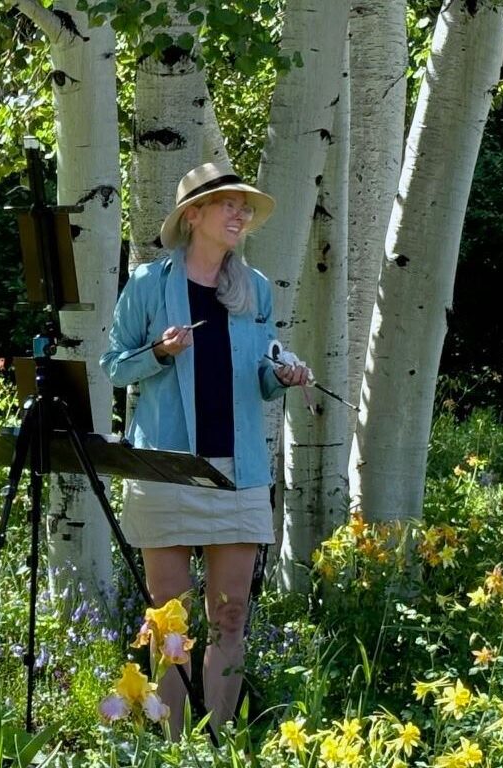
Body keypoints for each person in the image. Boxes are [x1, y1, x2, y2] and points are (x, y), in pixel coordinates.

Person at [99, 162, 313, 732]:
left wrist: (283, 375)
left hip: (239, 473)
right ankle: (172, 742)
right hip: (167, 469)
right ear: (193, 216)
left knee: (232, 615)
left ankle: (214, 739)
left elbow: (261, 371)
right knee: (170, 621)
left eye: (245, 206)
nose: (240, 214)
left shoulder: (256, 289)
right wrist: (159, 353)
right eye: (227, 204)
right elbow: (113, 366)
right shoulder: (149, 285)